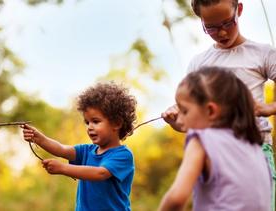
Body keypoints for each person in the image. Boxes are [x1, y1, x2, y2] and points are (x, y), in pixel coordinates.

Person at [162, 0, 276, 209]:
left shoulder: (262, 53)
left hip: (256, 146)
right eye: (211, 27)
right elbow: (191, 122)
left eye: (227, 23)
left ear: (238, 10)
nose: (222, 33)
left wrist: (266, 108)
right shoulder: (199, 64)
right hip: (213, 150)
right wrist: (176, 122)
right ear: (201, 22)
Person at [158, 66, 272, 211]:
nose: (180, 120)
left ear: (210, 111)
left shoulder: (202, 140)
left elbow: (176, 198)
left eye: (185, 111)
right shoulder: (255, 146)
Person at [22, 82, 137, 211]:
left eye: (96, 121)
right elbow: (61, 149)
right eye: (87, 122)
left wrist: (63, 168)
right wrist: (38, 138)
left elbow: (101, 173)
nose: (90, 127)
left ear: (117, 123)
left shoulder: (122, 155)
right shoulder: (87, 151)